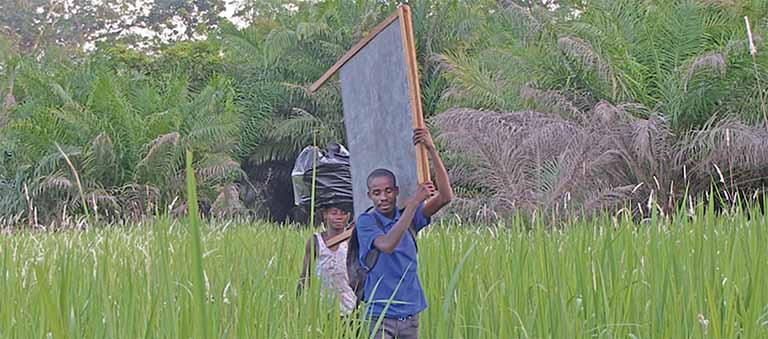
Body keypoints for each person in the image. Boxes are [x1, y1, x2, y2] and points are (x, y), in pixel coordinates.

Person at [356, 128, 454, 339]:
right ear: (369, 196)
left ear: (396, 191)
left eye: (388, 191)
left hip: (409, 315)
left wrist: (431, 148)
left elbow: (446, 197)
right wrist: (414, 203)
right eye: (377, 193)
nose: (383, 197)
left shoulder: (411, 218)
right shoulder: (366, 222)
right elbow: (388, 244)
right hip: (380, 316)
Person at [298, 204, 357, 316]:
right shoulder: (316, 241)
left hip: (349, 306)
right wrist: (299, 304)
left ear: (349, 216)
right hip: (321, 307)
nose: (339, 217)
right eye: (334, 213)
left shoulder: (351, 241)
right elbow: (305, 275)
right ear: (325, 215)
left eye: (343, 213)